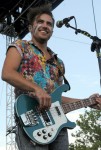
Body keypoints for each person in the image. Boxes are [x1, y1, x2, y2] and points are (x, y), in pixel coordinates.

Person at [1, 4, 101, 150]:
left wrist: (87, 101)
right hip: (31, 121)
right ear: (30, 27)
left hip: (57, 125)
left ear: (52, 30)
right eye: (40, 22)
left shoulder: (58, 63)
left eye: (49, 23)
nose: (45, 25)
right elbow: (7, 73)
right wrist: (37, 89)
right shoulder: (20, 46)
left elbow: (56, 98)